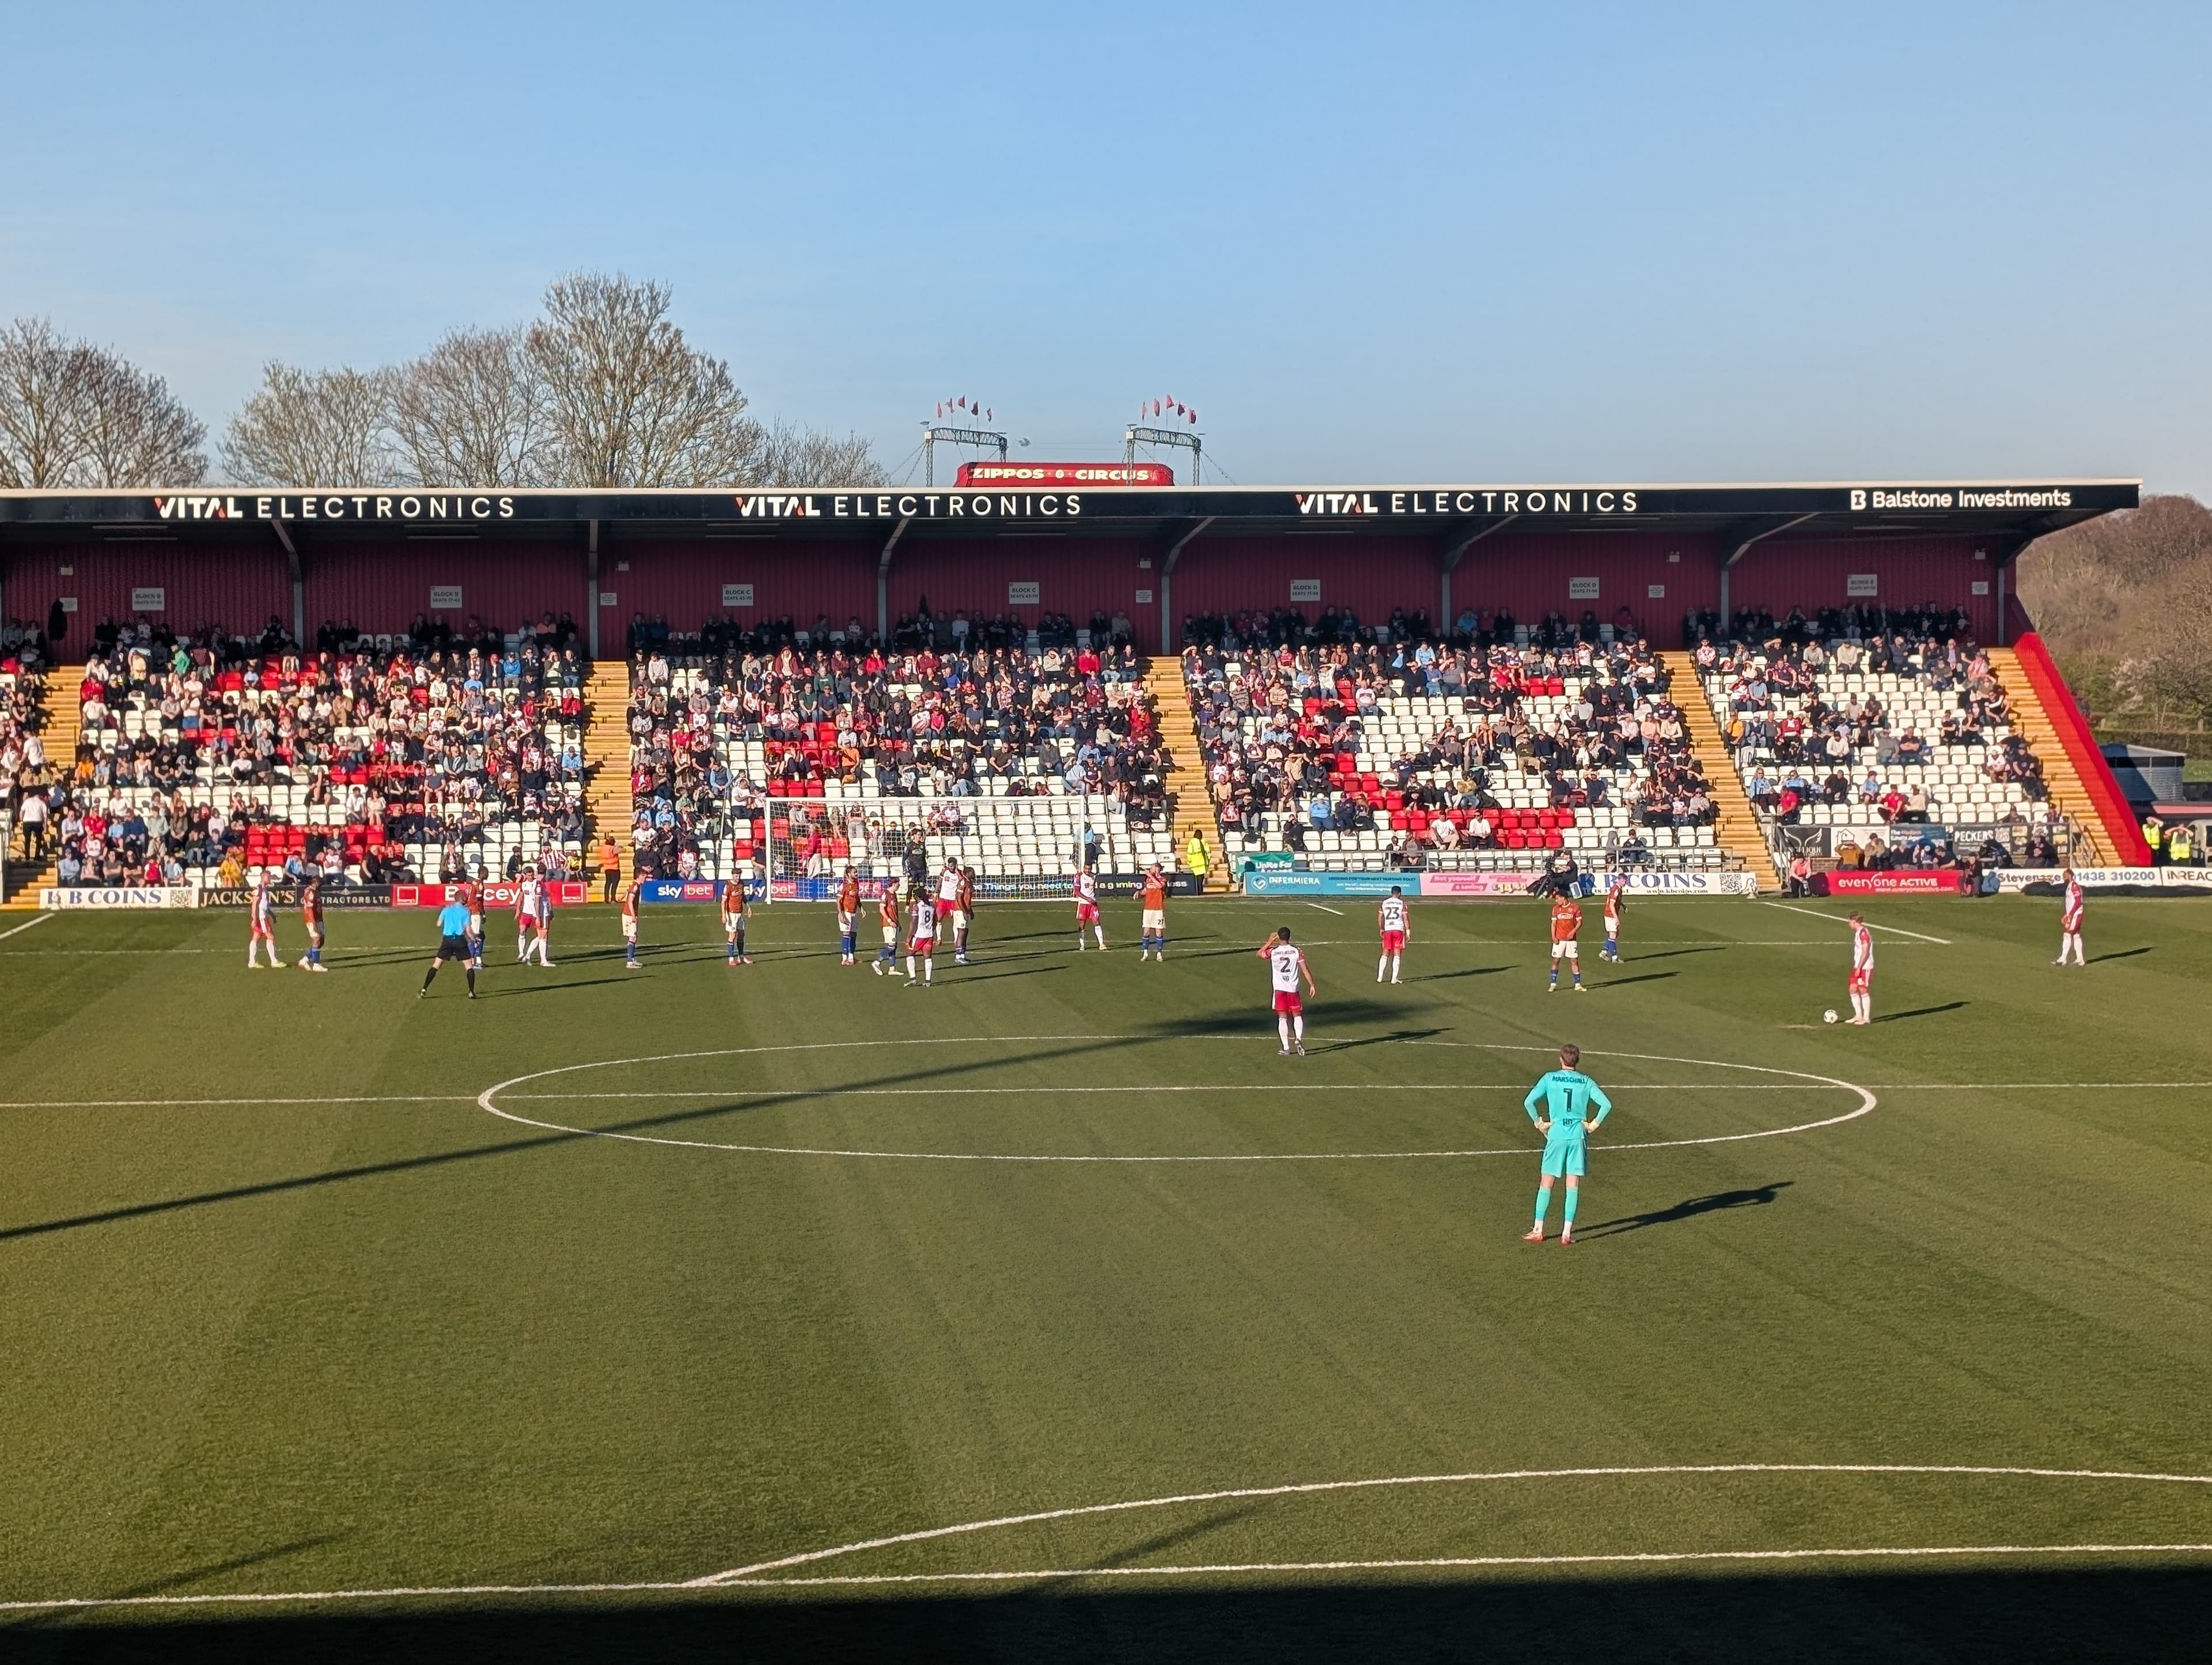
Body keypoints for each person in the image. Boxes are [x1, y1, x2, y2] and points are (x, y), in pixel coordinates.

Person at [1521, 1042, 1612, 1246]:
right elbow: (1607, 1105)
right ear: (1577, 1061)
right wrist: (1593, 1125)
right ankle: (1566, 1233)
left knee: (1547, 1183)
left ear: (1561, 1059)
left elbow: (1529, 1102)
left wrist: (1539, 1123)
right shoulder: (1586, 1081)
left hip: (1557, 1135)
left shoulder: (1550, 1078)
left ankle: (1538, 1230)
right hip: (1578, 1136)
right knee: (1572, 1186)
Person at [1257, 925, 1317, 1056]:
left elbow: (1259, 953)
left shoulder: (1274, 952)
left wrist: (1270, 941)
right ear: (1290, 937)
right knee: (1297, 1015)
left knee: (1282, 1018)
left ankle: (1286, 1048)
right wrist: (1312, 985)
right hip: (1292, 988)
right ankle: (1298, 1039)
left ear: (1279, 937)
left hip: (1279, 989)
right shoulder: (1296, 951)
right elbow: (1305, 969)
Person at [420, 894, 479, 999]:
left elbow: (438, 924)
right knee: (469, 966)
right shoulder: (466, 911)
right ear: (462, 899)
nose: (467, 899)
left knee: (436, 965)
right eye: (465, 897)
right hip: (460, 940)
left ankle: (424, 989)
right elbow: (468, 930)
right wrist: (474, 939)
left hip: (447, 940)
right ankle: (471, 992)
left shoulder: (447, 909)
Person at [1547, 891, 1585, 993]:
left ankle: (1578, 985)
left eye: (1558, 898)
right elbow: (1553, 924)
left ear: (1564, 898)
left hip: (1571, 940)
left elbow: (1580, 922)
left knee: (1574, 961)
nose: (1556, 901)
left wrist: (1573, 932)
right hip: (1559, 939)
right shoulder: (1556, 909)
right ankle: (1553, 984)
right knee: (1556, 961)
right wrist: (1553, 936)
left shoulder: (1575, 908)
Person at [247, 873, 284, 969]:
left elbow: (265, 906)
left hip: (262, 916)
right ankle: (274, 961)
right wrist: (255, 919)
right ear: (264, 877)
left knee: (257, 936)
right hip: (261, 917)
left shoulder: (264, 890)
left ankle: (252, 962)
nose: (270, 879)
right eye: (269, 877)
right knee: (270, 936)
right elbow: (255, 904)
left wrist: (272, 915)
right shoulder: (259, 889)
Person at [1137, 863, 1170, 961]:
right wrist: (1139, 892)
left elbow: (1160, 886)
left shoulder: (1163, 879)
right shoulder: (1148, 879)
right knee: (1146, 932)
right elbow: (1146, 891)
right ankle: (1145, 953)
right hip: (1148, 909)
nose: (1150, 871)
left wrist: (1151, 876)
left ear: (1157, 870)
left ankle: (1159, 954)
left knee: (1158, 933)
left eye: (1152, 869)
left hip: (1158, 909)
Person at [1846, 910, 1874, 1024]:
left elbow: (1865, 951)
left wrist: (1860, 967)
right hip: (1857, 965)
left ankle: (1866, 1019)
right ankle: (1858, 1015)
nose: (1849, 924)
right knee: (1852, 989)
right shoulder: (1858, 933)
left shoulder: (1864, 933)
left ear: (1854, 922)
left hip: (1865, 967)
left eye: (1850, 922)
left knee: (1863, 990)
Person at [1377, 884, 1409, 984]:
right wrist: (1408, 931)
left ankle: (1380, 977)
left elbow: (1380, 918)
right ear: (1399, 894)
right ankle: (1394, 979)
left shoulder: (1384, 903)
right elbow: (1406, 919)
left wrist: (1382, 928)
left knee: (1385, 953)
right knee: (1397, 954)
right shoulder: (1402, 903)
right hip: (1398, 929)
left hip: (1388, 929)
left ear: (1392, 893)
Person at [906, 887, 937, 986]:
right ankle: (928, 981)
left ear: (918, 896)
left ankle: (913, 979)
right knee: (928, 957)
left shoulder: (917, 907)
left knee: (910, 954)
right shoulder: (931, 906)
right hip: (929, 935)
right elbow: (936, 922)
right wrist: (932, 930)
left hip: (920, 935)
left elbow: (914, 923)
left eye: (915, 895)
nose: (914, 897)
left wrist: (909, 936)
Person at [935, 858, 965, 964]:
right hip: (943, 899)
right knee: (939, 919)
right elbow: (939, 882)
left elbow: (962, 881)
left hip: (953, 901)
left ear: (956, 865)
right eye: (950, 865)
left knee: (955, 921)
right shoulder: (945, 872)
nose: (951, 867)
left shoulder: (959, 873)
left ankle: (956, 940)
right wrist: (935, 893)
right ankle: (939, 939)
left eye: (953, 866)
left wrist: (957, 872)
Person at [2055, 867, 2084, 966]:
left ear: (2070, 875)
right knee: (2076, 935)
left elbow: (2077, 902)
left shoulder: (2074, 886)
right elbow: (2070, 903)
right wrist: (2066, 914)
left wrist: (2071, 915)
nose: (2063, 876)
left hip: (2076, 915)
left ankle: (2063, 959)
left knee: (2067, 934)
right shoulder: (2069, 886)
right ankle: (2080, 960)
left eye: (2065, 874)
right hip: (2073, 914)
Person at [298, 875, 327, 973]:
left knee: (321, 941)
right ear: (315, 883)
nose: (321, 886)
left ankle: (305, 960)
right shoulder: (310, 892)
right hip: (312, 920)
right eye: (320, 884)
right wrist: (313, 923)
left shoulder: (315, 892)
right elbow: (309, 909)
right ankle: (316, 964)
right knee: (317, 938)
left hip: (319, 919)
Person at [722, 877, 752, 966]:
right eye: (736, 876)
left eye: (739, 876)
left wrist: (748, 906)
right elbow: (723, 902)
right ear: (733, 876)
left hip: (740, 913)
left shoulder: (741, 884)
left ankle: (741, 957)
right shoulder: (728, 886)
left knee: (742, 934)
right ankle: (731, 959)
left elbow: (743, 897)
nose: (737, 878)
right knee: (733, 935)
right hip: (731, 914)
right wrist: (724, 915)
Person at [1073, 866, 1104, 951]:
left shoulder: (1094, 876)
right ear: (1084, 868)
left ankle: (1101, 944)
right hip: (1083, 904)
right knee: (1082, 924)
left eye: (1089, 869)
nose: (1088, 871)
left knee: (1096, 921)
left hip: (1093, 904)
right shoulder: (1079, 876)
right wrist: (1087, 899)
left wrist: (1093, 898)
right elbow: (1076, 891)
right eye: (1086, 869)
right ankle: (1082, 944)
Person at [873, 882, 901, 976]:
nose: (899, 885)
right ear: (893, 884)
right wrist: (889, 921)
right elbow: (882, 910)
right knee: (891, 945)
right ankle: (877, 962)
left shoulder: (894, 895)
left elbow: (895, 911)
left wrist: (898, 923)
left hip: (894, 924)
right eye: (898, 884)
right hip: (888, 924)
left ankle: (892, 968)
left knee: (894, 946)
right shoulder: (886, 894)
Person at [836, 866, 860, 966]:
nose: (856, 874)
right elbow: (838, 901)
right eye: (855, 872)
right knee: (846, 934)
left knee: (854, 934)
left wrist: (861, 907)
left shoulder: (856, 884)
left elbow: (857, 897)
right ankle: (844, 958)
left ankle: (851, 957)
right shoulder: (844, 886)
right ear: (849, 874)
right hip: (846, 912)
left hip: (854, 912)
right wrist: (841, 914)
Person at [954, 862, 976, 964]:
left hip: (965, 910)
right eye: (972, 872)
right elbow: (959, 897)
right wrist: (964, 911)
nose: (974, 874)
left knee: (965, 932)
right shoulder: (963, 882)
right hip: (959, 910)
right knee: (961, 932)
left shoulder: (969, 882)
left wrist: (970, 910)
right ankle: (958, 956)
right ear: (967, 873)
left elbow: (968, 899)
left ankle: (963, 954)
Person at [1601, 878, 1625, 964]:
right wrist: (1616, 918)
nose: (1624, 883)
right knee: (1613, 935)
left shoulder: (1618, 889)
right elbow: (1611, 905)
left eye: (1625, 881)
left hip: (1611, 914)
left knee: (1615, 934)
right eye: (1622, 881)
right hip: (1610, 915)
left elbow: (1616, 901)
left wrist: (1623, 905)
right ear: (1618, 881)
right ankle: (1615, 957)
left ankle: (1604, 952)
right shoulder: (1616, 890)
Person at [620, 877, 642, 969]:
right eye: (645, 877)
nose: (645, 879)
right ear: (640, 877)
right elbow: (630, 902)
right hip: (629, 915)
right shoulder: (635, 886)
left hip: (628, 914)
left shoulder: (633, 884)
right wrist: (633, 916)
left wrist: (622, 896)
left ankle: (631, 959)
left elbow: (627, 891)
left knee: (633, 937)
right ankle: (630, 962)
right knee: (633, 937)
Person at [598, 835, 620, 904]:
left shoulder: (603, 848)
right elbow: (623, 850)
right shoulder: (612, 848)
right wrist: (620, 847)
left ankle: (606, 899)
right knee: (614, 884)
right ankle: (613, 898)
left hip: (607, 868)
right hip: (615, 868)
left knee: (608, 883)